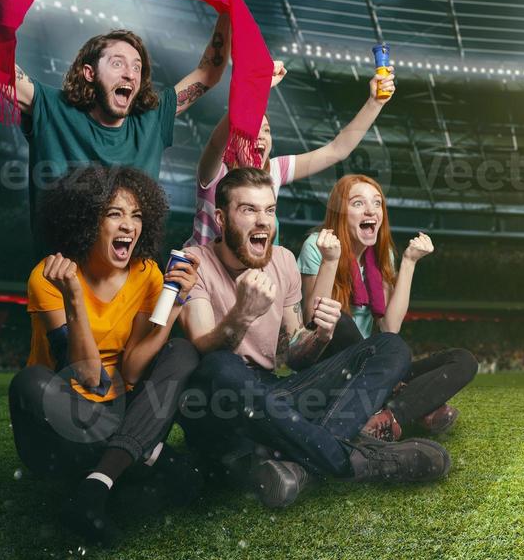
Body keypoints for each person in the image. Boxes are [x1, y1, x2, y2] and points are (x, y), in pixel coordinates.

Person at [0, 0, 277, 243]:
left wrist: (224, 8)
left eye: (137, 67)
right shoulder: (52, 108)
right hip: (59, 281)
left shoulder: (150, 120)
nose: (130, 72)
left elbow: (209, 73)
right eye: (117, 63)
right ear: (88, 72)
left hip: (132, 284)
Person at [177, 167, 454, 510]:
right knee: (221, 367)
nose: (263, 221)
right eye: (248, 210)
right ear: (220, 218)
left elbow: (294, 353)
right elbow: (203, 349)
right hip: (220, 402)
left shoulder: (282, 260)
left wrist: (319, 337)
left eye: (269, 210)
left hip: (274, 395)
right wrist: (243, 314)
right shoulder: (193, 263)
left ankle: (299, 465)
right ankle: (359, 461)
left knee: (391, 347)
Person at [8, 165, 204, 545]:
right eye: (114, 214)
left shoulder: (146, 274)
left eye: (136, 215)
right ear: (85, 220)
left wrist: (175, 303)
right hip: (60, 427)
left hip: (119, 406)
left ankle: (97, 484)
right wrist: (74, 299)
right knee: (29, 382)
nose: (129, 226)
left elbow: (132, 367)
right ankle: (146, 454)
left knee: (180, 350)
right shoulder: (48, 277)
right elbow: (86, 377)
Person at [299, 174, 476, 441]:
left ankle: (389, 417)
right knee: (339, 320)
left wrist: (409, 262)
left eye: (377, 203)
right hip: (334, 364)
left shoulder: (383, 254)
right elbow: (316, 320)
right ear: (339, 212)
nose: (371, 210)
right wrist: (330, 260)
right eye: (358, 203)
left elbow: (390, 328)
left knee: (464, 360)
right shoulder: (317, 246)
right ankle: (417, 407)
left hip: (376, 365)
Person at [185, 71, 392, 248]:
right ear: (231, 139)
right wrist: (257, 88)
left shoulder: (274, 170)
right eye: (250, 130)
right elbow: (214, 143)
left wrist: (375, 103)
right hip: (202, 278)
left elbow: (337, 150)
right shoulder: (214, 174)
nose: (261, 137)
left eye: (266, 131)